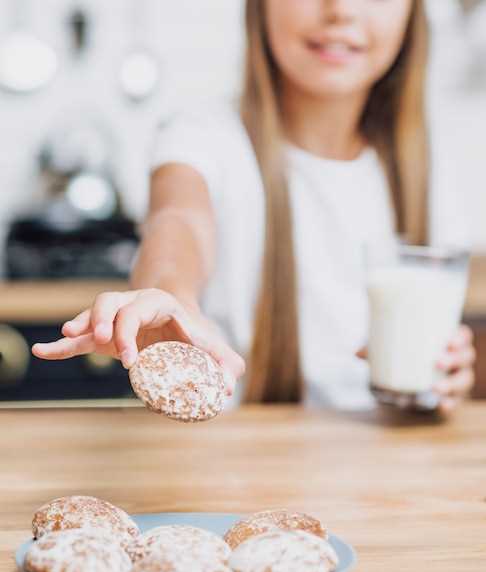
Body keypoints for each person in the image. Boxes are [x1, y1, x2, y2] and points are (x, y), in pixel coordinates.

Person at [33, 0, 475, 412]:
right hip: (236, 473)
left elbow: (441, 344)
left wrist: (444, 376)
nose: (339, 10)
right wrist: (170, 296)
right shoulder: (202, 136)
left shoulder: (431, 167)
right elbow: (179, 222)